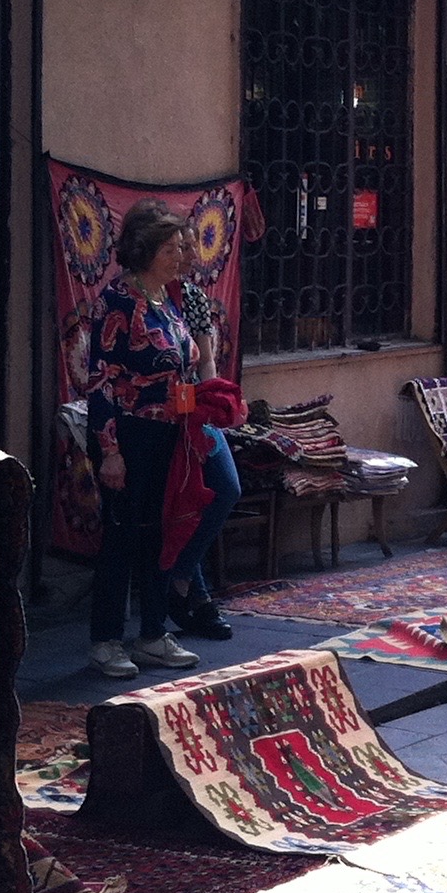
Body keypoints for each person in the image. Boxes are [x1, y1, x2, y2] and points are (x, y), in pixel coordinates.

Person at [86, 199, 206, 679]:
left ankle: (153, 633)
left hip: (169, 433)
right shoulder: (117, 302)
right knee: (122, 535)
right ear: (147, 250)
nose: (182, 256)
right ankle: (106, 638)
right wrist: (110, 450)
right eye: (173, 248)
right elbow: (100, 380)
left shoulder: (167, 301)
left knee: (161, 533)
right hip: (130, 433)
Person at [165, 250, 239, 639]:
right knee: (183, 499)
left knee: (226, 487)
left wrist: (209, 406)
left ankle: (180, 580)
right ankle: (196, 596)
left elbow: (206, 360)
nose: (182, 259)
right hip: (156, 416)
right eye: (173, 249)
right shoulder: (136, 301)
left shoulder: (190, 297)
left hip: (193, 410)